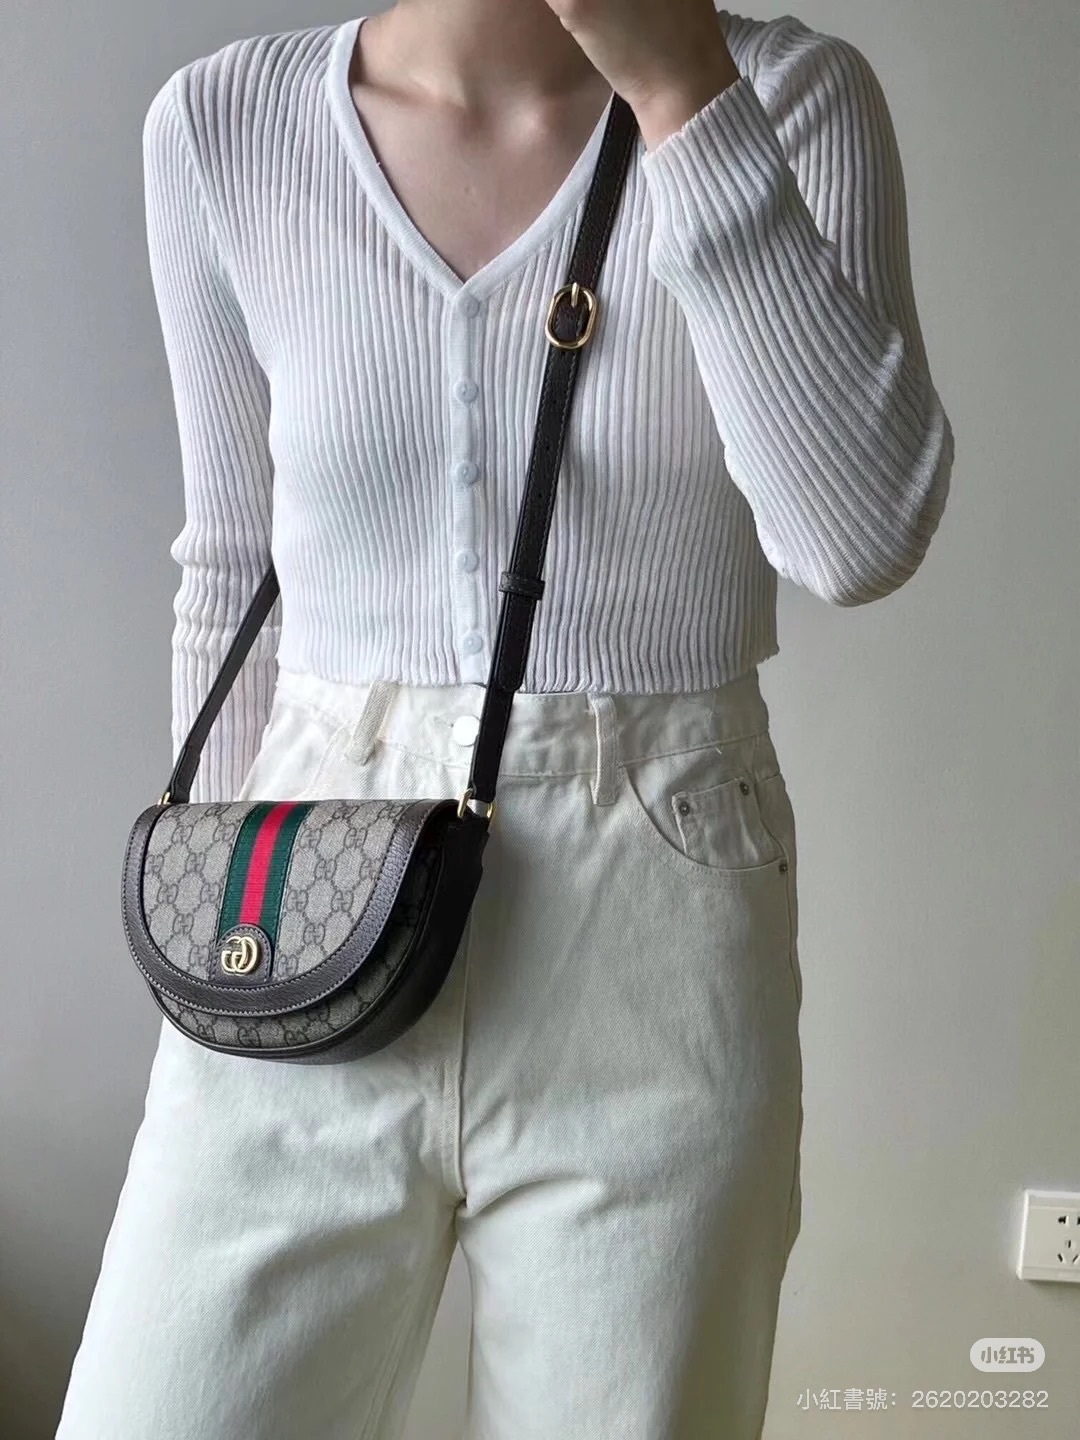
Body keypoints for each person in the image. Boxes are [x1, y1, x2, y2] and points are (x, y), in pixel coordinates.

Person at [55, 3, 954, 1437]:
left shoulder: (789, 95)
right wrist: (213, 943)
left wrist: (685, 96)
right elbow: (229, 568)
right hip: (310, 885)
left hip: (653, 913)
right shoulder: (224, 123)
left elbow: (856, 540)